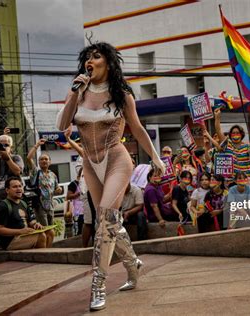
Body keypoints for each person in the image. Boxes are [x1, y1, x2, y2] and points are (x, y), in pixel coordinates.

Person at [56, 42, 166, 311]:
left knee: (105, 219)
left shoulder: (122, 94)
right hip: (90, 164)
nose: (90, 61)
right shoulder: (79, 92)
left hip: (116, 159)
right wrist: (74, 93)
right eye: (87, 57)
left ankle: (98, 284)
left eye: (97, 56)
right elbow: (61, 126)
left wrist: (155, 157)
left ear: (108, 62)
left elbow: (138, 130)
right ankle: (133, 265)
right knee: (111, 221)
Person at [0, 177, 55, 250]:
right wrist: (20, 231)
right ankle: (41, 259)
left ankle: (47, 256)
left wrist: (35, 224)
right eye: (15, 187)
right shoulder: (4, 206)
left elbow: (30, 221)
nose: (18, 188)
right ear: (7, 190)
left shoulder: (23, 203)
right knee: (41, 236)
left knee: (50, 232)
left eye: (20, 186)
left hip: (25, 235)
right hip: (10, 241)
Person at [26, 139, 63, 226]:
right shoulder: (35, 172)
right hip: (39, 206)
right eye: (41, 159)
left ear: (50, 162)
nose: (44, 161)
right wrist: (37, 145)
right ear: (38, 162)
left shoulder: (53, 174)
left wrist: (59, 189)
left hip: (50, 206)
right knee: (44, 229)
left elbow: (57, 188)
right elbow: (28, 158)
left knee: (50, 229)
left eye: (46, 159)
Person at [214, 108, 250, 184]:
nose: (235, 135)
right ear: (230, 135)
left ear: (242, 134)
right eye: (233, 133)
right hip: (231, 181)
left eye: (237, 133)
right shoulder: (227, 144)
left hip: (246, 180)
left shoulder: (247, 146)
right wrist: (217, 117)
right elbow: (218, 130)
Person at [67, 166, 85, 236]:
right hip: (78, 212)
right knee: (80, 231)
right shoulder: (73, 184)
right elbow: (68, 196)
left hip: (88, 210)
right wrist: (78, 194)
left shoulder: (89, 183)